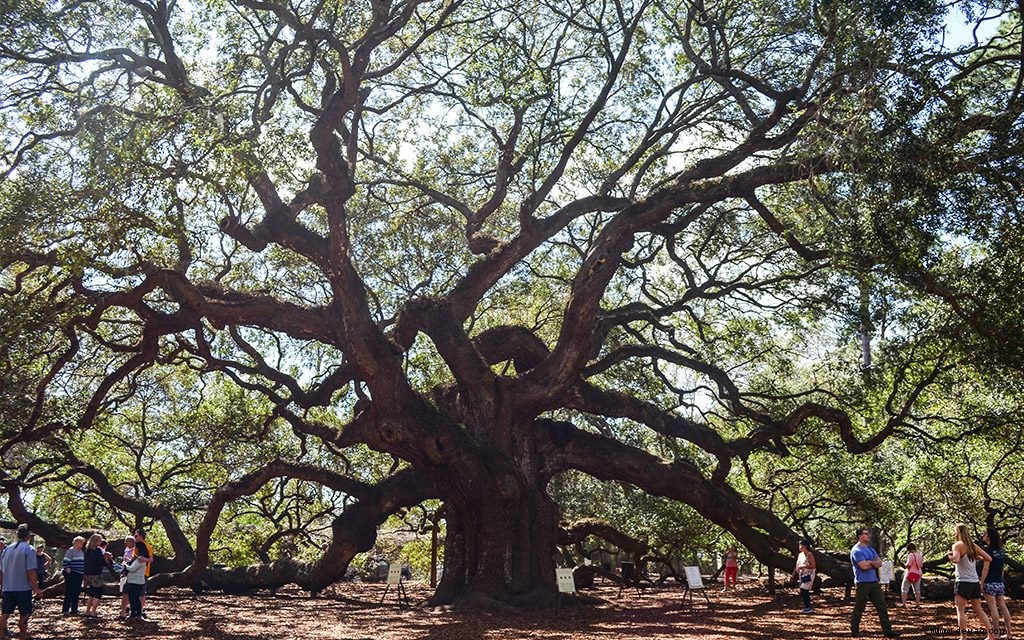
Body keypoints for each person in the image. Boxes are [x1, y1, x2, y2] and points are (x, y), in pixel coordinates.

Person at [949, 523, 998, 640]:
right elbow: (989, 558)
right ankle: (990, 634)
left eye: (955, 531)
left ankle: (963, 636)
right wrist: (978, 557)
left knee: (960, 610)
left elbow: (956, 560)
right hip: (974, 582)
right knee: (979, 609)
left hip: (963, 582)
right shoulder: (973, 546)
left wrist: (949, 556)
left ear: (958, 533)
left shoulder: (957, 545)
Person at [850, 527, 900, 638]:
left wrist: (870, 562)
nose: (869, 535)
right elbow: (863, 566)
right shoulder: (856, 550)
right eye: (866, 534)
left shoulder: (870, 549)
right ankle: (854, 630)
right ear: (860, 536)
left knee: (882, 606)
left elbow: (880, 563)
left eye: (868, 533)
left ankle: (887, 631)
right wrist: (872, 563)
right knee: (860, 607)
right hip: (862, 583)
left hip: (874, 582)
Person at [0, 524, 45, 639]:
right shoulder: (29, 549)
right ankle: (23, 636)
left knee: (5, 614)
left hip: (8, 587)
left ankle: (1, 635)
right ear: (28, 536)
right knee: (24, 614)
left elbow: (1, 570)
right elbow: (31, 570)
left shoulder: (7, 549)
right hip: (23, 588)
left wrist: (3, 585)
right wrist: (36, 589)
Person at [981, 528, 1013, 640]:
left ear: (989, 536)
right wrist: (1001, 580)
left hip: (989, 582)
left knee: (993, 608)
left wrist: (982, 582)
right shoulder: (1001, 551)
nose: (983, 535)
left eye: (984, 533)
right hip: (999, 582)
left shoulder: (987, 550)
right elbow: (1002, 569)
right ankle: (1009, 633)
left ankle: (996, 634)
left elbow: (986, 568)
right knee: (1003, 607)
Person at [123, 538, 149, 622]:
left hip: (135, 582)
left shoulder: (140, 559)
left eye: (135, 548)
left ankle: (135, 614)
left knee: (133, 599)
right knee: (135, 598)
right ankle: (136, 614)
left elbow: (132, 569)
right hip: (136, 581)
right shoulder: (140, 558)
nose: (134, 549)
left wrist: (125, 564)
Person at [82, 533, 106, 618]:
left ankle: (87, 611)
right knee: (98, 593)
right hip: (96, 574)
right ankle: (93, 611)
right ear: (96, 541)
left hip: (88, 574)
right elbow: (101, 562)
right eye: (99, 540)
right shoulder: (98, 551)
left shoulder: (87, 551)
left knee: (91, 593)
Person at [61, 536, 85, 615]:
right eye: (81, 542)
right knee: (70, 591)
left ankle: (74, 609)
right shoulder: (71, 551)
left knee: (77, 591)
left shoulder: (81, 551)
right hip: (73, 573)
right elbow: (66, 562)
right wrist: (69, 572)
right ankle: (65, 609)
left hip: (80, 574)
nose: (82, 544)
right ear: (76, 542)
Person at [133, 529, 153, 619]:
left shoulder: (146, 546)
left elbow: (151, 559)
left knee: (142, 592)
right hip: (134, 571)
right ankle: (135, 610)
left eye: (136, 536)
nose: (135, 537)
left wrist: (144, 560)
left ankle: (140, 610)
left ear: (141, 536)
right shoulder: (135, 546)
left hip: (144, 572)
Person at [792, 538, 816, 614]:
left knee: (804, 589)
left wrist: (803, 566)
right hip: (802, 574)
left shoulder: (809, 555)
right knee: (803, 590)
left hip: (809, 574)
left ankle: (808, 608)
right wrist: (793, 575)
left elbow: (813, 566)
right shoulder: (800, 555)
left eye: (801, 545)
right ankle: (806, 607)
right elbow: (796, 565)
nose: (800, 546)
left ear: (805, 546)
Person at [120, 536, 136, 618]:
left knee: (129, 593)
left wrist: (127, 562)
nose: (125, 543)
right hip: (125, 572)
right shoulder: (126, 550)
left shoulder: (135, 550)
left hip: (131, 573)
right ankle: (124, 609)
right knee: (124, 592)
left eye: (127, 541)